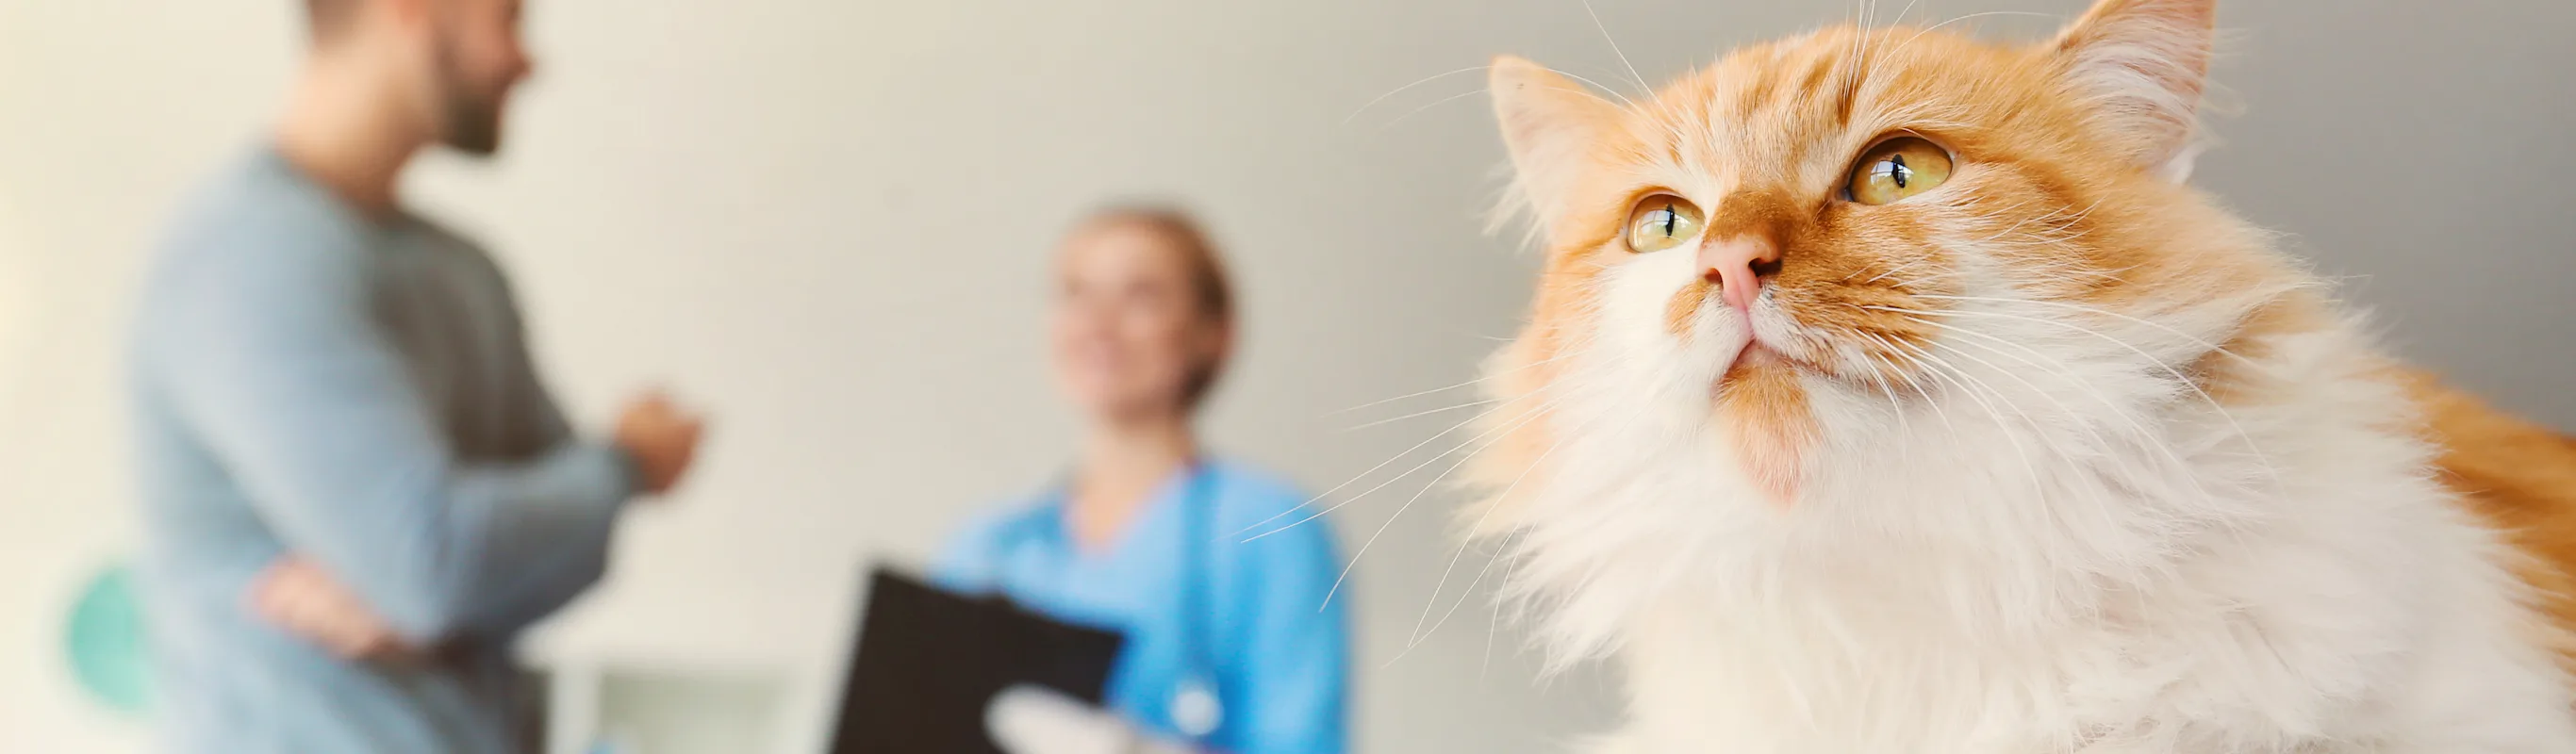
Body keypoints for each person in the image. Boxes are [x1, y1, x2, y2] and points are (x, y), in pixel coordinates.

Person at [126, 0, 705, 751]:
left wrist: (443, 586)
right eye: (510, 18)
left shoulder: (463, 271)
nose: (527, 61)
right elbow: (438, 563)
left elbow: (571, 555)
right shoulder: (249, 259)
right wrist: (625, 463)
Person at [936, 207, 1350, 754]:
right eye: (1075, 293)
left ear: (1212, 333)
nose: (1097, 325)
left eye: (1141, 296)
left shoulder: (1271, 531)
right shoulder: (988, 547)